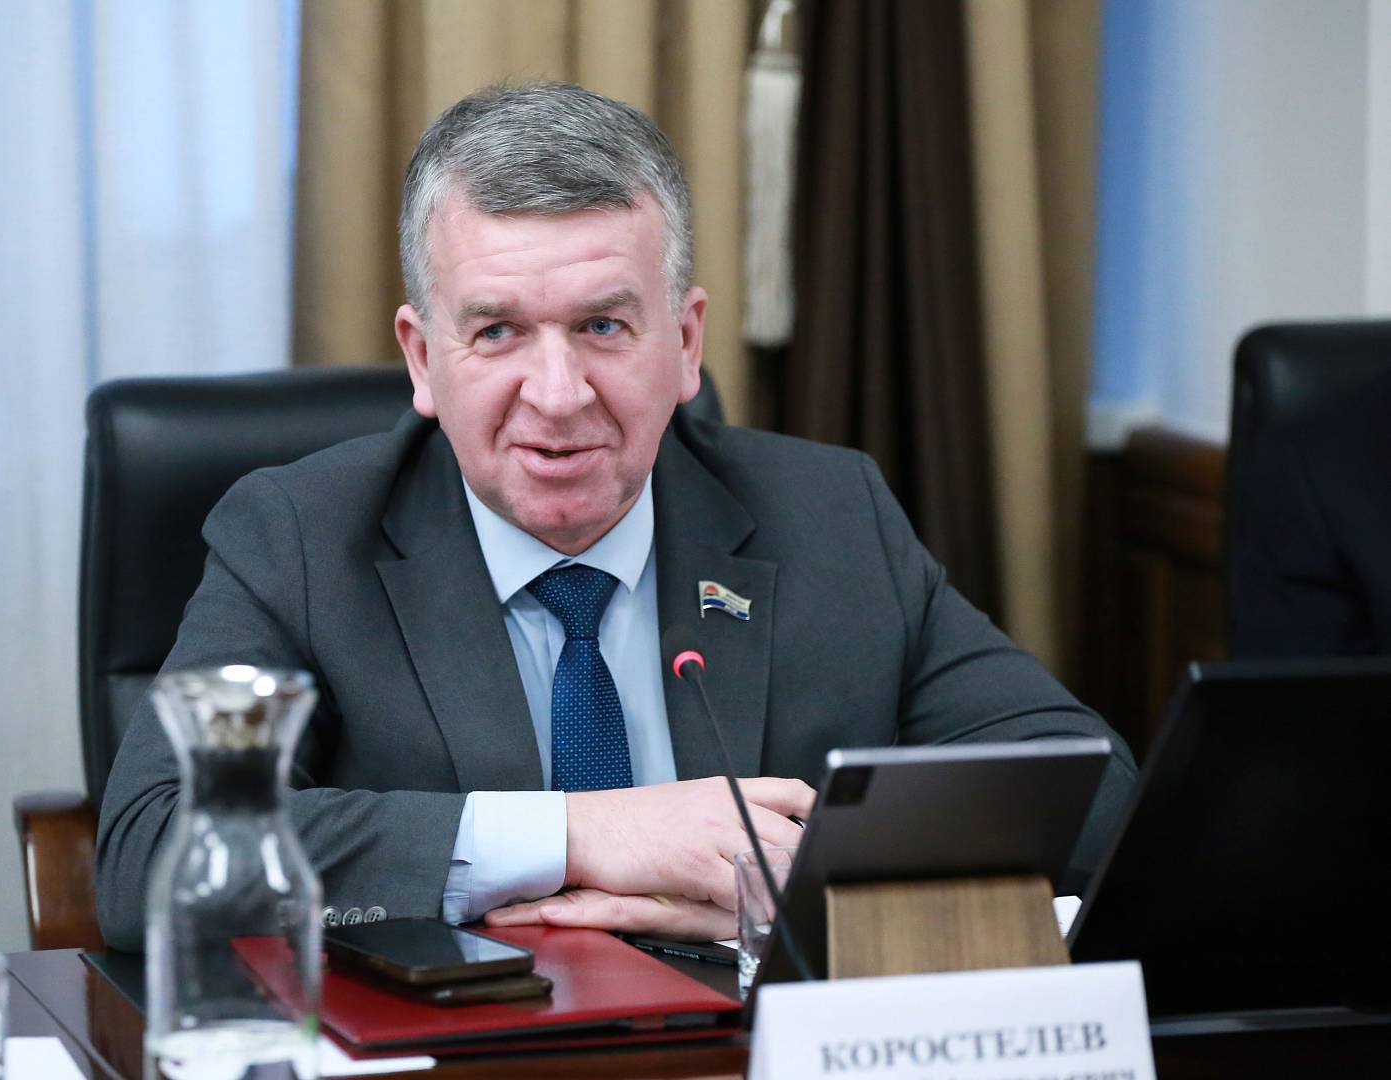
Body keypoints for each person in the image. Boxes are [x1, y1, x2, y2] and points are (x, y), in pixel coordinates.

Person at [94, 82, 1135, 951]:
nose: (557, 395)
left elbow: (1092, 799)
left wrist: (781, 892)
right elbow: (156, 854)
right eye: (497, 331)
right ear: (422, 358)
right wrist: (583, 835)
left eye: (602, 325)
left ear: (685, 343)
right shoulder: (298, 537)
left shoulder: (829, 516)